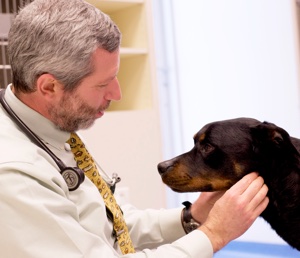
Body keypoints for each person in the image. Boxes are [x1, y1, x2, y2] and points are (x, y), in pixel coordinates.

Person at [0, 0, 269, 257]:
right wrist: (214, 235)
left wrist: (191, 217)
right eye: (102, 84)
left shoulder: (51, 130)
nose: (117, 93)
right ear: (49, 87)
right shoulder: (15, 175)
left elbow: (109, 224)